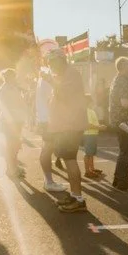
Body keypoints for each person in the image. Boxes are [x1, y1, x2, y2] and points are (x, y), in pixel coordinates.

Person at [44, 53, 88, 212]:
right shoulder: (65, 74)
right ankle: (75, 195)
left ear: (61, 61)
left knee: (70, 160)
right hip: (65, 126)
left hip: (70, 125)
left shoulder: (71, 73)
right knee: (69, 159)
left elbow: (64, 95)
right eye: (49, 63)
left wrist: (50, 81)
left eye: (52, 63)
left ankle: (78, 199)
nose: (51, 66)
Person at [108, 56, 128, 192]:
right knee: (125, 151)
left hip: (118, 120)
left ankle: (118, 180)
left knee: (123, 151)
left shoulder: (117, 80)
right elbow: (125, 104)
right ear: (122, 67)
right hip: (123, 121)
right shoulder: (122, 82)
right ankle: (122, 181)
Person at [34, 64, 65, 192]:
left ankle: (48, 180)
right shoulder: (48, 78)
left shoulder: (45, 77)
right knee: (47, 149)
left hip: (46, 119)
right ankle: (49, 182)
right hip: (49, 120)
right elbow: (52, 100)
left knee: (47, 148)